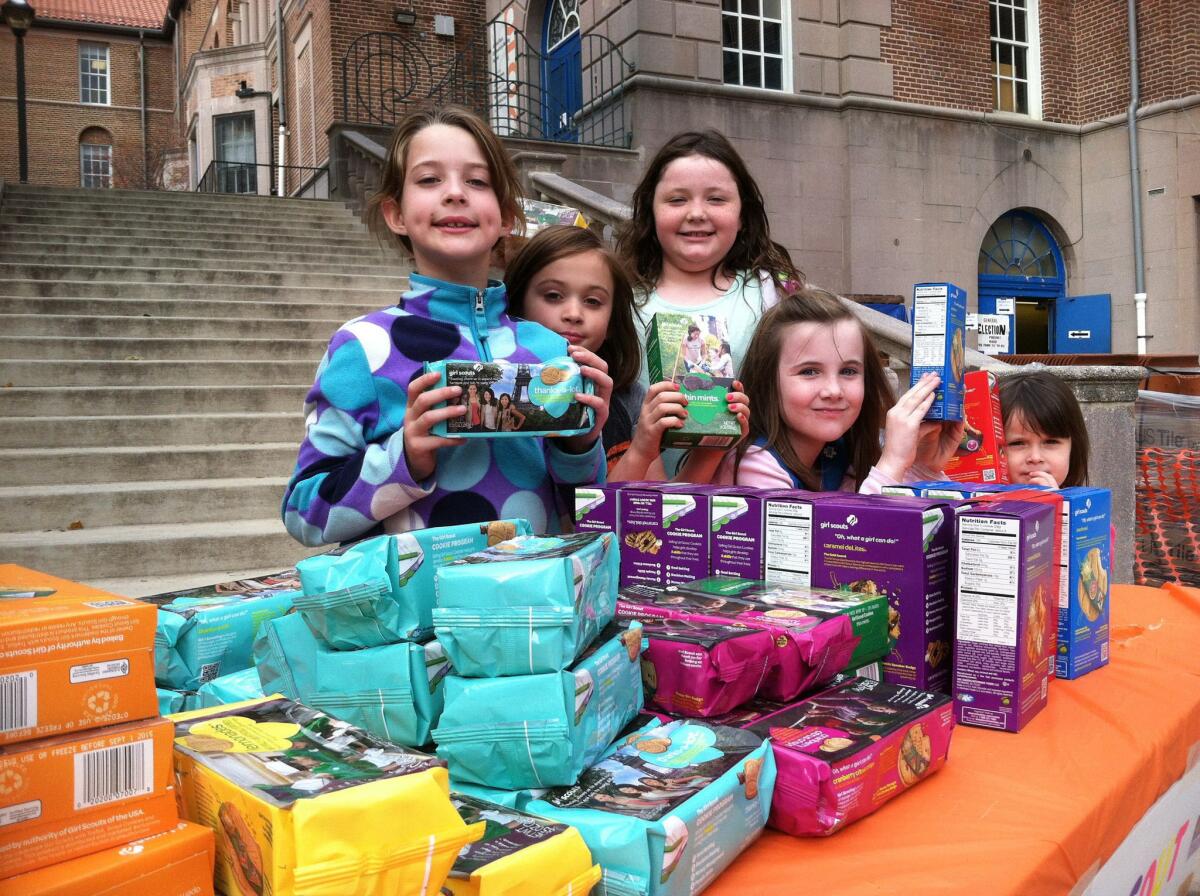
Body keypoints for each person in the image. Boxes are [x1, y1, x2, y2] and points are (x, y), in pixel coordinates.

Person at [281, 107, 608, 544]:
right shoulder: (361, 347)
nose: (455, 193)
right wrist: (406, 456)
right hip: (412, 611)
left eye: (477, 181)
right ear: (395, 213)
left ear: (506, 216)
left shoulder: (549, 349)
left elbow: (582, 510)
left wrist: (581, 444)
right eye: (429, 179)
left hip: (530, 605)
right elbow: (305, 514)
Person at [505, 225, 747, 482]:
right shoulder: (501, 391)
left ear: (612, 322)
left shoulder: (629, 399)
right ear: (518, 301)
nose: (573, 314)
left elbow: (659, 512)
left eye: (593, 301)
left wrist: (715, 445)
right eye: (553, 296)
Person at [718, 287, 964, 492]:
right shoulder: (755, 463)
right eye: (809, 371)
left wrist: (922, 464)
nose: (833, 390)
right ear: (768, 382)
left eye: (848, 371)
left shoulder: (837, 454)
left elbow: (908, 536)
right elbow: (847, 544)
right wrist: (892, 462)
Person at [616, 129, 804, 380]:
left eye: (716, 199)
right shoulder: (618, 294)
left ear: (743, 216)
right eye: (677, 200)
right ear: (652, 212)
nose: (696, 213)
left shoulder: (773, 292)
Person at [999, 369, 1090, 487]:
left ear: (1073, 448)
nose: (1035, 458)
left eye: (1051, 442)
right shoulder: (973, 502)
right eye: (1018, 443)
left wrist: (1056, 503)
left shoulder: (1085, 505)